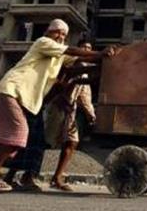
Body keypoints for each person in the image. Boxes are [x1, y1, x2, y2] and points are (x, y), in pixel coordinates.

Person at [0, 19, 115, 192]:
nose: (60, 36)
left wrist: (106, 60)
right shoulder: (43, 43)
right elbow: (71, 51)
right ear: (47, 32)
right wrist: (100, 53)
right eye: (57, 32)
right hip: (13, 91)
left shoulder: (58, 55)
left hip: (19, 96)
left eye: (64, 34)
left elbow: (76, 63)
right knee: (19, 134)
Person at [46, 41, 97, 191]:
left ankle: (57, 177)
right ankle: (18, 173)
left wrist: (91, 115)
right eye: (83, 48)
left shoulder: (85, 73)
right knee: (45, 141)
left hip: (69, 111)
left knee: (72, 142)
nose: (86, 50)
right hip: (57, 107)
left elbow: (84, 97)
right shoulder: (68, 64)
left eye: (89, 48)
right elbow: (58, 84)